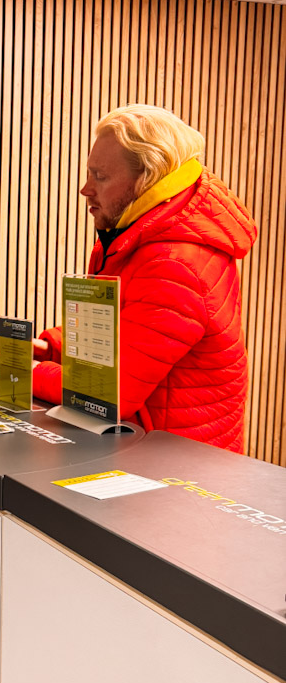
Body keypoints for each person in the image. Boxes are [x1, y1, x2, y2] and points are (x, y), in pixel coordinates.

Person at [33, 104, 257, 452]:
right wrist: (55, 346)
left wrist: (30, 372)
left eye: (100, 176)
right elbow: (133, 327)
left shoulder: (175, 261)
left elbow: (106, 393)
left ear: (147, 179)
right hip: (151, 453)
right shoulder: (142, 239)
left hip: (177, 472)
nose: (86, 189)